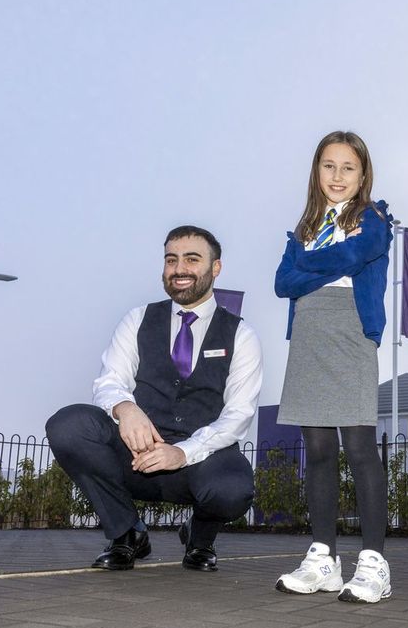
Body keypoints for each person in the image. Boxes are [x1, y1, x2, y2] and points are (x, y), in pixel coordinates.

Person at [46, 225, 262, 573]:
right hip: (137, 455)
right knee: (69, 425)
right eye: (171, 260)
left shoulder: (242, 335)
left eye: (192, 259)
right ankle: (127, 532)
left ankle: (200, 538)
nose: (179, 269)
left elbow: (237, 415)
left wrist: (182, 452)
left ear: (215, 268)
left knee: (232, 488)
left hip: (198, 460)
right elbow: (109, 380)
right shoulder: (137, 319)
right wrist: (125, 408)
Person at [273, 130, 394, 604]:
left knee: (360, 446)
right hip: (308, 332)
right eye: (329, 165)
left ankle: (374, 563)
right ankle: (323, 557)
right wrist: (311, 263)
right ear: (316, 170)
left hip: (351, 329)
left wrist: (308, 262)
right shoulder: (304, 224)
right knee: (318, 448)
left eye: (348, 167)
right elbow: (284, 283)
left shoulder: (374, 217)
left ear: (363, 173)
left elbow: (355, 254)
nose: (337, 175)